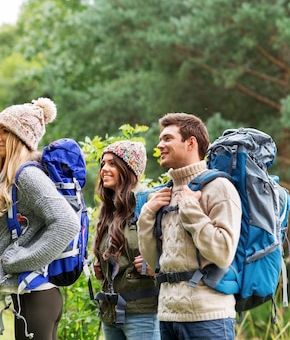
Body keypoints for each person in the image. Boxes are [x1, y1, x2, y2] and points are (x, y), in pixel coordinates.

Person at [137, 113, 241, 340]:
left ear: (191, 142)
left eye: (167, 139)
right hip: (167, 316)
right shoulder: (165, 193)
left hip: (209, 317)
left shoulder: (219, 187)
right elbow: (155, 263)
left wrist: (191, 210)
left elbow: (223, 253)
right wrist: (147, 215)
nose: (159, 145)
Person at [0, 97, 80, 340]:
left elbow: (67, 222)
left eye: (4, 132)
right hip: (32, 294)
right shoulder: (20, 176)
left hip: (38, 293)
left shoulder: (28, 176)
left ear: (21, 137)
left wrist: (20, 259)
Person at [92, 140, 160, 340]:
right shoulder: (109, 210)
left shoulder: (149, 203)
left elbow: (177, 249)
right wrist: (103, 266)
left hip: (143, 315)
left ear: (129, 169)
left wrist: (157, 266)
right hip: (110, 313)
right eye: (103, 163)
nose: (104, 169)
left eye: (113, 164)